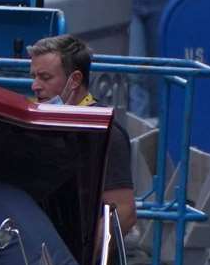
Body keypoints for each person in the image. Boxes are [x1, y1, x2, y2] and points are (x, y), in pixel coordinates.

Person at [28, 35, 136, 234]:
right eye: (33, 76)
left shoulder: (106, 134)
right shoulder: (37, 125)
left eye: (45, 77)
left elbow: (124, 211)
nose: (35, 86)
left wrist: (81, 257)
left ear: (75, 79)